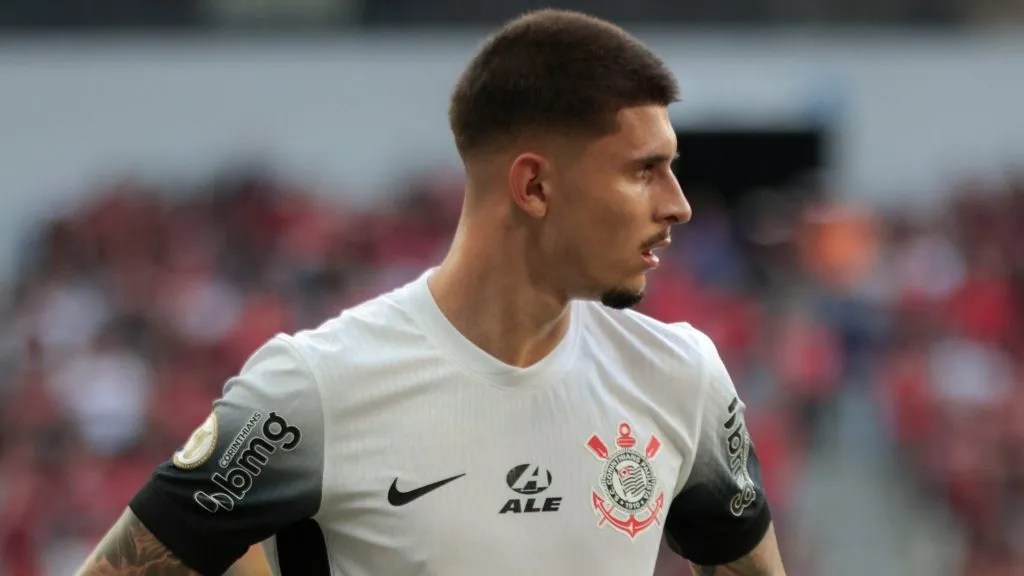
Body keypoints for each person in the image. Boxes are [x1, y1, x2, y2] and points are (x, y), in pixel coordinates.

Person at [76, 8, 785, 576]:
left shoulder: (681, 378)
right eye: (645, 170)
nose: (679, 204)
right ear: (534, 186)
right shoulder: (313, 390)